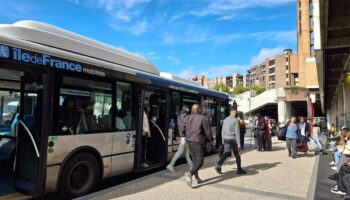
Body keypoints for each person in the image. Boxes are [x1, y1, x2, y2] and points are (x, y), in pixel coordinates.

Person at [183, 104, 213, 188]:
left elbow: (183, 128)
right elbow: (207, 131)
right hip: (197, 141)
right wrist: (211, 140)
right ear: (199, 110)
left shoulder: (187, 118)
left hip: (189, 141)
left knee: (195, 161)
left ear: (192, 110)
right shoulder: (203, 118)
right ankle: (190, 174)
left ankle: (197, 179)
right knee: (200, 161)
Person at [214, 107, 247, 175]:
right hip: (233, 139)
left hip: (226, 139)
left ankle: (218, 165)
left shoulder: (225, 119)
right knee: (237, 154)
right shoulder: (235, 120)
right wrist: (239, 143)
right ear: (235, 112)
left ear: (230, 112)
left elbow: (222, 131)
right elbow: (237, 132)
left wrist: (223, 140)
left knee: (226, 153)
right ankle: (239, 169)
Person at [166, 106, 193, 173]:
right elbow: (185, 127)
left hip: (182, 136)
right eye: (188, 109)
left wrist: (176, 135)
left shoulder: (179, 116)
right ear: (186, 110)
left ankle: (191, 166)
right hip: (185, 136)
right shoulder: (186, 117)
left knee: (186, 152)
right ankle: (171, 165)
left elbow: (177, 126)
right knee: (180, 151)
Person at [141, 100, 151, 168]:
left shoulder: (143, 112)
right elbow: (144, 124)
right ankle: (142, 162)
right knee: (143, 147)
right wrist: (146, 132)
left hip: (143, 133)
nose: (148, 106)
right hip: (143, 134)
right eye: (147, 104)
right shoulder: (142, 112)